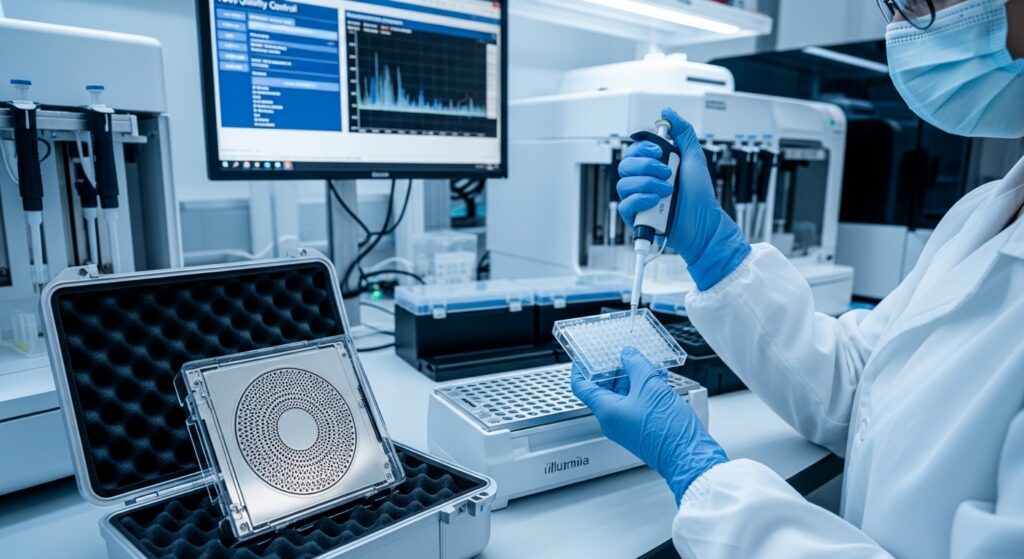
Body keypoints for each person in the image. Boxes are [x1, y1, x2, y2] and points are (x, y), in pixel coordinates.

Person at [571, 0, 1024, 556]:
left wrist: (700, 474)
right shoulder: (985, 211)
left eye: (920, 0)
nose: (900, 21)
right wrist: (715, 249)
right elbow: (862, 383)